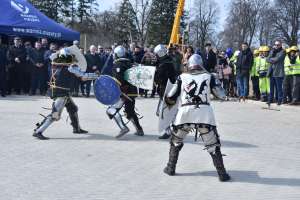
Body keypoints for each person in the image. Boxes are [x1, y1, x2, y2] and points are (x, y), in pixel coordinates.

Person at [163, 54, 230, 182]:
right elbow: (221, 95)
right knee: (212, 144)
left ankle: (170, 168)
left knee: (176, 141)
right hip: (204, 115)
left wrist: (166, 101)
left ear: (189, 64)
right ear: (201, 64)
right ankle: (222, 174)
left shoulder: (181, 77)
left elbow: (171, 96)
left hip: (185, 114)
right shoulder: (209, 76)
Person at [33, 45, 99, 140]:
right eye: (71, 56)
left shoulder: (55, 64)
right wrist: (95, 75)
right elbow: (83, 76)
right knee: (55, 115)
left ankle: (77, 128)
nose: (73, 57)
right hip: (61, 93)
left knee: (73, 109)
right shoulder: (70, 67)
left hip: (60, 91)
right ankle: (38, 131)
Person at [106, 45, 144, 138]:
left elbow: (119, 81)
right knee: (129, 111)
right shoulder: (131, 63)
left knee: (111, 110)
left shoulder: (118, 65)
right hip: (132, 92)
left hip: (123, 93)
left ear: (117, 54)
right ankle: (139, 129)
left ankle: (123, 128)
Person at [153, 44, 177, 139]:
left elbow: (160, 79)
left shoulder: (165, 64)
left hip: (166, 91)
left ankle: (170, 131)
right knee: (166, 111)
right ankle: (173, 130)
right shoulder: (167, 61)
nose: (156, 56)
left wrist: (154, 75)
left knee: (161, 112)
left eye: (157, 54)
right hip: (167, 91)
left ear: (160, 54)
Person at [266, 40, 285, 106]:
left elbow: (277, 59)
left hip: (278, 72)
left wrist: (271, 59)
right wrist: (272, 55)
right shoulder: (272, 51)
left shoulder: (282, 51)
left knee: (279, 88)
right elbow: (267, 59)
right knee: (271, 87)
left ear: (280, 45)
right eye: (275, 45)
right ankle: (270, 99)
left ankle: (279, 99)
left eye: (278, 45)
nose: (276, 46)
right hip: (271, 72)